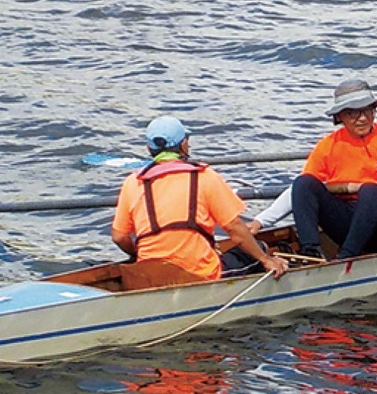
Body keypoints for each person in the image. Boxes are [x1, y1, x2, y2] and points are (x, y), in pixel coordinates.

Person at [111, 116, 288, 280]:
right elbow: (235, 228)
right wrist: (266, 260)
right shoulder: (205, 177)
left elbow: (119, 237)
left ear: (149, 148)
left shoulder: (133, 182)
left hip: (148, 272)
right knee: (260, 247)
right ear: (184, 144)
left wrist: (137, 255)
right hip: (199, 272)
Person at [291, 79, 377, 260]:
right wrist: (260, 222)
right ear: (340, 117)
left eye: (367, 110)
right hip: (347, 222)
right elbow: (303, 192)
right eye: (353, 113)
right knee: (303, 182)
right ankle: (310, 251)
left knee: (370, 190)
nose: (362, 118)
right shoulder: (327, 145)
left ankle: (346, 257)